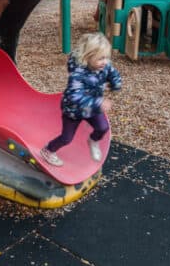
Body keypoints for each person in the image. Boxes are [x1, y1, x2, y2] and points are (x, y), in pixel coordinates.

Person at [40, 32, 122, 166]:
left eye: (106, 57)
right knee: (66, 138)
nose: (105, 62)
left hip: (92, 108)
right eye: (101, 58)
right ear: (88, 57)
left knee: (102, 127)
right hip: (73, 111)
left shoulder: (103, 66)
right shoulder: (78, 74)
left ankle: (93, 140)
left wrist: (116, 84)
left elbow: (113, 73)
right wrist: (98, 102)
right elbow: (74, 97)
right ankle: (48, 150)